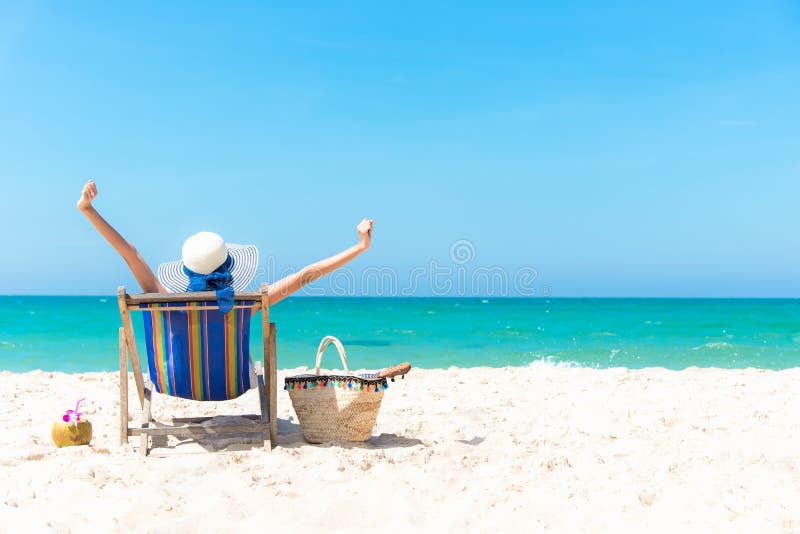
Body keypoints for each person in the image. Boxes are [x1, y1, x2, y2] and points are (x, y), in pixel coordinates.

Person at [76, 180, 373, 307]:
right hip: (230, 383)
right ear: (230, 267)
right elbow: (306, 275)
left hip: (178, 381)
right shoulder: (243, 304)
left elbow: (130, 254)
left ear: (186, 270)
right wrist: (360, 247)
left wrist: (88, 209)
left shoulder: (164, 298)